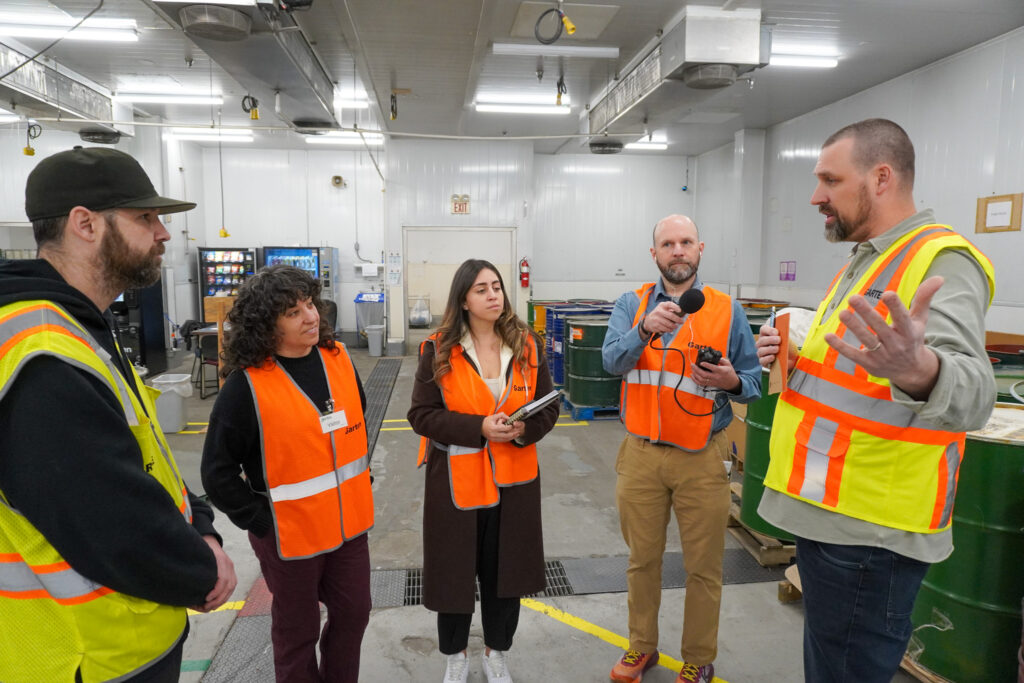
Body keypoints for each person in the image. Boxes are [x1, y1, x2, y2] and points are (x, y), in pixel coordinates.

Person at [754, 118, 996, 682]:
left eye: (829, 181)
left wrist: (920, 371)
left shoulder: (941, 261)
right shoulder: (866, 259)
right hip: (833, 519)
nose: (816, 197)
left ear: (881, 177)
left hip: (870, 533)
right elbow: (850, 371)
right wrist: (791, 347)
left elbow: (975, 392)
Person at [0, 146, 236, 683]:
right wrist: (201, 569)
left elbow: (145, 461)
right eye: (145, 217)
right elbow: (105, 517)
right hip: (80, 657)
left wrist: (200, 525)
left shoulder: (81, 328)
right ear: (85, 224)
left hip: (124, 643)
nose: (164, 233)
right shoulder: (39, 351)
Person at [602, 214, 761, 683]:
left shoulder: (726, 309)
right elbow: (611, 361)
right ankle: (641, 648)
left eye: (685, 242)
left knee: (703, 567)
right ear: (654, 254)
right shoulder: (630, 304)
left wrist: (732, 380)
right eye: (667, 243)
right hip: (641, 456)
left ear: (700, 249)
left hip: (702, 456)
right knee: (642, 561)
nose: (677, 250)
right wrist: (644, 330)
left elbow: (752, 382)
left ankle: (698, 657)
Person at [201, 265, 373, 683]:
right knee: (298, 632)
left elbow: (357, 418)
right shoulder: (247, 387)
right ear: (267, 325)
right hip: (289, 537)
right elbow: (216, 473)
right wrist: (259, 520)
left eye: (310, 304)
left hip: (348, 526)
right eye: (294, 312)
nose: (311, 316)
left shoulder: (339, 358)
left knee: (354, 615)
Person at [408, 259, 558, 683]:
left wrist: (524, 429)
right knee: (454, 575)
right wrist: (479, 428)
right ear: (464, 300)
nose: (494, 295)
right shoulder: (436, 349)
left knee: (504, 574)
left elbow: (550, 407)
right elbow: (422, 415)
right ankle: (455, 655)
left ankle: (497, 654)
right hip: (456, 482)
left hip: (515, 482)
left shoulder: (527, 344)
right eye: (481, 289)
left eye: (497, 287)